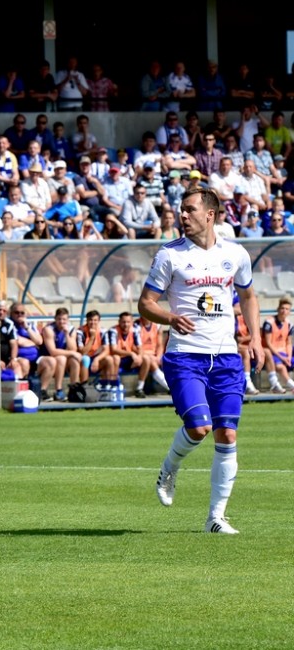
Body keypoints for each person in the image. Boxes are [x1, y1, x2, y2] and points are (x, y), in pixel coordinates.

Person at [140, 186, 263, 535]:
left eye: (189, 209)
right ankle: (169, 468)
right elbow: (145, 303)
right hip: (185, 355)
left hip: (226, 357)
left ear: (210, 215)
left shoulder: (236, 254)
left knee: (227, 433)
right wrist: (170, 318)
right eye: (181, 209)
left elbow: (248, 295)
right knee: (198, 427)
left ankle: (215, 518)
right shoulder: (170, 255)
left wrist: (255, 337)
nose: (183, 214)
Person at [262, 297, 294, 394]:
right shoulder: (269, 322)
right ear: (278, 309)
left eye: (287, 309)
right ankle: (291, 385)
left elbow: (289, 343)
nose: (284, 311)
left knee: (285, 363)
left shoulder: (289, 324)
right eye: (282, 308)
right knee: (280, 366)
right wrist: (282, 358)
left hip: (284, 353)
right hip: (272, 352)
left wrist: (289, 357)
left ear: (289, 311)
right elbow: (268, 343)